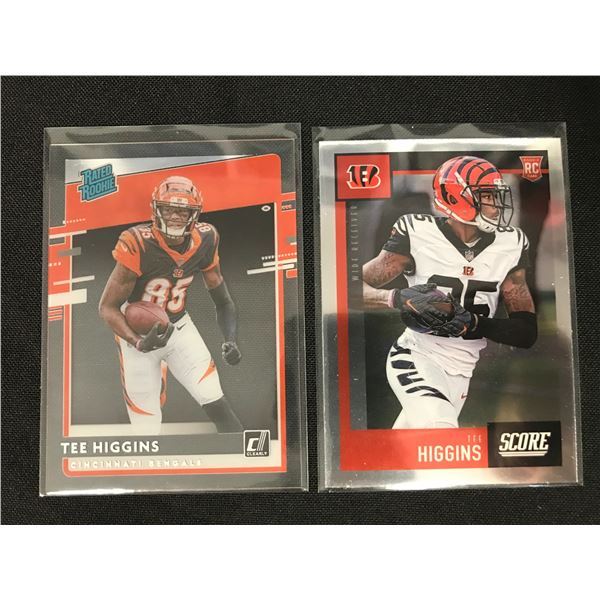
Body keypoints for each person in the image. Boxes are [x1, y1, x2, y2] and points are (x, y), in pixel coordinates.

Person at [362, 156, 537, 429]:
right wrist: (394, 297)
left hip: (462, 372)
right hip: (416, 356)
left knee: (406, 449)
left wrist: (473, 323)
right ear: (456, 197)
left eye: (496, 195)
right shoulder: (418, 233)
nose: (496, 205)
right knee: (440, 432)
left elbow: (526, 332)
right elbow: (347, 288)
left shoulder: (511, 244)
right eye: (487, 195)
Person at [99, 175, 243, 434]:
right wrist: (138, 342)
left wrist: (230, 339)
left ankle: (247, 457)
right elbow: (107, 307)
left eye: (182, 211)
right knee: (145, 427)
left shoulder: (207, 238)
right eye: (168, 209)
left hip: (179, 328)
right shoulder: (137, 242)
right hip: (137, 335)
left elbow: (223, 301)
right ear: (156, 210)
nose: (175, 216)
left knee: (214, 398)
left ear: (194, 214)